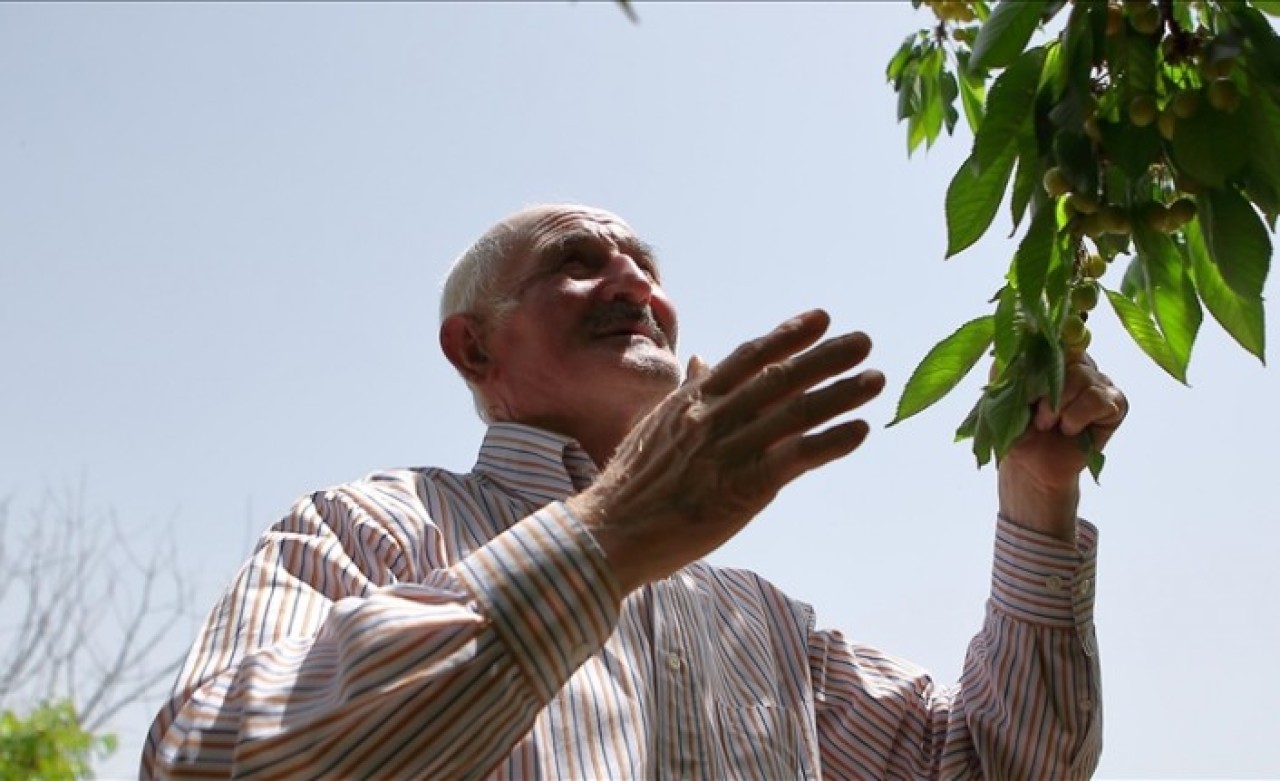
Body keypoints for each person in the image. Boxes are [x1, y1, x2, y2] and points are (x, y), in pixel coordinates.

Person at [141, 204, 1126, 780]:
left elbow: (1001, 762)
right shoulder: (374, 524)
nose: (632, 282)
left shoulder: (765, 630)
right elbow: (209, 755)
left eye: (645, 267)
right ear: (472, 343)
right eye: (576, 261)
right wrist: (605, 537)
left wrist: (1036, 497)